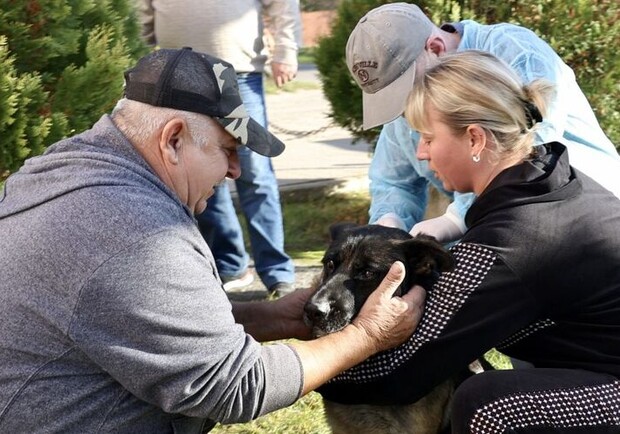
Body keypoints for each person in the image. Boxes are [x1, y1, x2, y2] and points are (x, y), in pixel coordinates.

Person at [0, 48, 426, 433]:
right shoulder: (136, 231)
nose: (235, 170)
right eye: (228, 149)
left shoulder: (64, 170)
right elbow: (235, 386)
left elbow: (142, 323)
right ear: (173, 140)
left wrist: (273, 318)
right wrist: (367, 335)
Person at [316, 50, 620, 433]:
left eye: (428, 137)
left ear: (475, 138)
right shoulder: (543, 179)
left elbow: (402, 371)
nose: (420, 152)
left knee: (488, 405)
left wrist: (293, 369)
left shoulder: (516, 234)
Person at [345, 2, 620, 244]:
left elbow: (531, 153)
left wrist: (457, 217)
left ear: (436, 48)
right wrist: (389, 222)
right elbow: (393, 180)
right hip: (499, 230)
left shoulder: (514, 50)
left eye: (403, 92)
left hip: (590, 222)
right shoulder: (410, 98)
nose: (405, 108)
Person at [137, 0, 301, 295]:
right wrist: (142, 44)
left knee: (255, 175)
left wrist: (286, 51)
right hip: (178, 73)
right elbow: (142, 8)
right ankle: (230, 264)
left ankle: (277, 272)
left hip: (238, 72)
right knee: (200, 172)